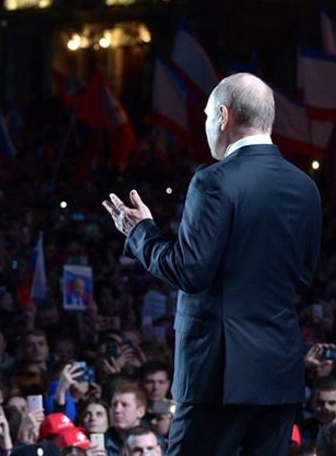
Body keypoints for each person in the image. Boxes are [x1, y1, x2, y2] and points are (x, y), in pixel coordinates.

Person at [102, 72, 322, 455]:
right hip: (279, 371)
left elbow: (190, 270)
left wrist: (140, 232)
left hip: (218, 374)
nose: (205, 126)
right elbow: (303, 278)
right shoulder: (305, 186)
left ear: (223, 115)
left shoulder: (214, 180)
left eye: (206, 116)